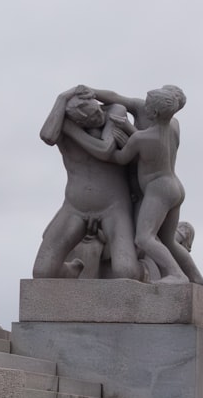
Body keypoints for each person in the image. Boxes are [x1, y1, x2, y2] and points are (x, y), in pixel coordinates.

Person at [78, 86, 203, 286]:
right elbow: (151, 140)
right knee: (168, 241)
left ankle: (177, 275)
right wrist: (131, 130)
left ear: (153, 113)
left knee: (144, 239)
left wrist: (112, 144)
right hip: (175, 187)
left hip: (158, 191)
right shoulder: (173, 126)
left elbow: (121, 158)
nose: (143, 106)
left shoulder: (140, 138)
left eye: (147, 105)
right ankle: (197, 279)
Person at [33, 86, 140, 280]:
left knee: (125, 272)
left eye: (97, 110)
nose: (98, 117)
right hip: (75, 206)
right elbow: (47, 136)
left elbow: (106, 149)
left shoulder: (114, 111)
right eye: (89, 119)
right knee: (42, 272)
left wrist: (71, 131)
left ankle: (147, 271)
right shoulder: (61, 124)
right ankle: (71, 270)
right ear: (76, 120)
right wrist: (61, 97)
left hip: (114, 206)